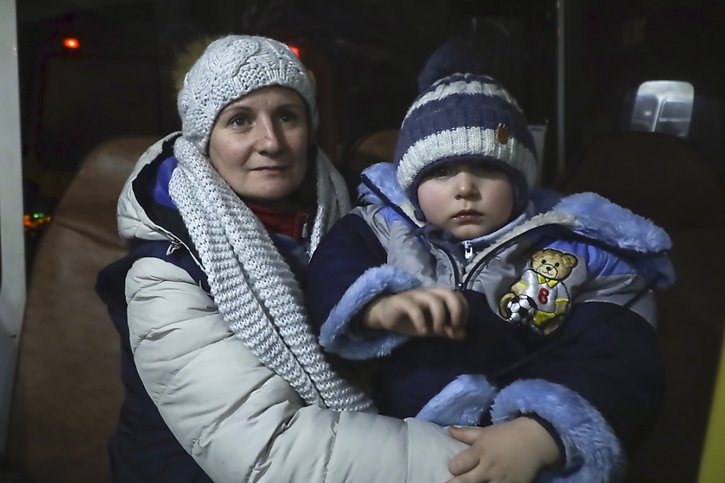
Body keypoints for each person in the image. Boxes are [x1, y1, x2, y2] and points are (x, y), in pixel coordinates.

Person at [95, 34, 480, 483]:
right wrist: (478, 462)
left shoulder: (357, 222)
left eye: (286, 116)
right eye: (240, 121)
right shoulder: (164, 273)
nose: (271, 141)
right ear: (205, 141)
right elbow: (273, 452)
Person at [306, 60, 675, 482]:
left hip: (517, 452)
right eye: (441, 171)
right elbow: (329, 268)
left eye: (487, 168)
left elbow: (622, 360)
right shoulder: (383, 228)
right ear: (412, 185)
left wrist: (542, 433)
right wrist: (377, 306)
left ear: (520, 181)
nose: (465, 187)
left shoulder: (585, 255)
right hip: (399, 447)